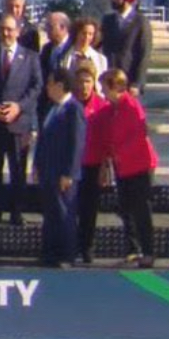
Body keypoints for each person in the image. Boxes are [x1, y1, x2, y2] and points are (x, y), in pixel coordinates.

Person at [0, 13, 42, 225]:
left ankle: (17, 212)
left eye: (10, 29)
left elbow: (36, 87)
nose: (6, 33)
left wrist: (19, 107)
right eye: (2, 29)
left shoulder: (30, 57)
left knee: (18, 170)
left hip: (19, 123)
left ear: (18, 31)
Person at [100, 67, 158, 268]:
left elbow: (138, 136)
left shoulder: (131, 106)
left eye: (104, 87)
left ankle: (148, 252)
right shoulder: (112, 108)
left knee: (142, 210)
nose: (102, 92)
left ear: (115, 86)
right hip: (123, 166)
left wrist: (118, 152)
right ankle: (133, 250)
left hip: (139, 165)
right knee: (126, 209)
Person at [32, 67, 85, 268]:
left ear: (60, 86)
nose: (47, 88)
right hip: (48, 171)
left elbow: (76, 143)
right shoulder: (52, 108)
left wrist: (69, 173)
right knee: (51, 213)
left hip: (63, 173)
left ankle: (66, 254)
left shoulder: (73, 109)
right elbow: (43, 140)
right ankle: (50, 252)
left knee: (64, 213)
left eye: (50, 83)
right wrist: (37, 165)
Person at [73, 63, 109, 264]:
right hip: (72, 164)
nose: (83, 86)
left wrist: (104, 166)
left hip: (93, 164)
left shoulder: (101, 106)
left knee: (89, 209)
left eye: (87, 81)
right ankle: (71, 245)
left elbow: (106, 139)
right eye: (80, 81)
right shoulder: (69, 104)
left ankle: (87, 247)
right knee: (71, 207)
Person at [101, 0, 152, 95]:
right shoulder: (108, 20)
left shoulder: (140, 21)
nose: (112, 0)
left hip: (129, 79)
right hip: (109, 78)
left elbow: (144, 54)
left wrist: (137, 83)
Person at [38, 12, 75, 122]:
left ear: (63, 28)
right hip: (47, 103)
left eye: (50, 27)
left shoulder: (73, 48)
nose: (46, 30)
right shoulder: (46, 49)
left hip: (65, 102)